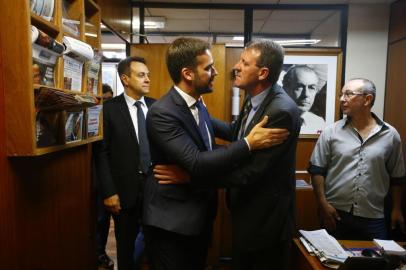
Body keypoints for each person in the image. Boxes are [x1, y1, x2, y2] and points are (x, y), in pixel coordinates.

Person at [142, 37, 290, 270]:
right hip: (171, 223)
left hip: (197, 218)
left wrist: (246, 139)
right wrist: (249, 143)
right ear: (188, 74)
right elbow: (197, 162)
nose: (217, 72)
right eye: (209, 67)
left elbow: (228, 134)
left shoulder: (197, 104)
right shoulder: (162, 113)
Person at [308, 78, 406, 240]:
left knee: (377, 262)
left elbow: (397, 176)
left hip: (373, 216)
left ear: (367, 99)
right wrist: (322, 204)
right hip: (335, 214)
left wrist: (397, 208)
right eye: (341, 94)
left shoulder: (390, 134)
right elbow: (317, 170)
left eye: (348, 94)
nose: (342, 99)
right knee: (330, 262)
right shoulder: (331, 132)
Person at [94, 56, 155, 270]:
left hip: (155, 191)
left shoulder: (156, 108)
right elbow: (102, 153)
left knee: (156, 245)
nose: (147, 79)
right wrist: (108, 192)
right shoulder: (109, 109)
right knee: (126, 248)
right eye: (141, 75)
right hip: (124, 192)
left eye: (148, 75)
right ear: (125, 79)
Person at [95, 83, 114, 269]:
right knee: (99, 218)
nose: (106, 103)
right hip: (93, 177)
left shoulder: (112, 117)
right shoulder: (94, 116)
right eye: (103, 99)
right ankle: (99, 253)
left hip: (109, 180)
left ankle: (100, 252)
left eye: (110, 99)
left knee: (104, 219)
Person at [283, 65, 325, 134]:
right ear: (286, 88)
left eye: (311, 87)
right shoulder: (274, 120)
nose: (306, 94)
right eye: (299, 87)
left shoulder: (319, 122)